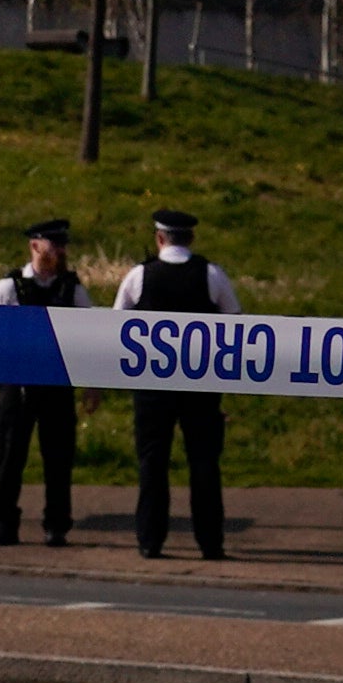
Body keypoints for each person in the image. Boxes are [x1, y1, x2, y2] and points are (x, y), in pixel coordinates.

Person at [114, 205, 239, 562]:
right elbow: (235, 323)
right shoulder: (211, 275)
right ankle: (210, 542)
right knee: (204, 463)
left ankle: (150, 541)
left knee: (152, 463)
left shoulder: (139, 276)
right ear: (192, 238)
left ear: (159, 238)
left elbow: (114, 327)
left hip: (152, 388)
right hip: (201, 387)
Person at [0, 220, 92, 546]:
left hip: (57, 386)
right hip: (18, 387)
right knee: (10, 457)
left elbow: (91, 337)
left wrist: (91, 385)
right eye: (52, 243)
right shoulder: (11, 287)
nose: (59, 250)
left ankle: (57, 525)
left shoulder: (72, 289)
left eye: (62, 244)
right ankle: (4, 523)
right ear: (34, 246)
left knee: (58, 459)